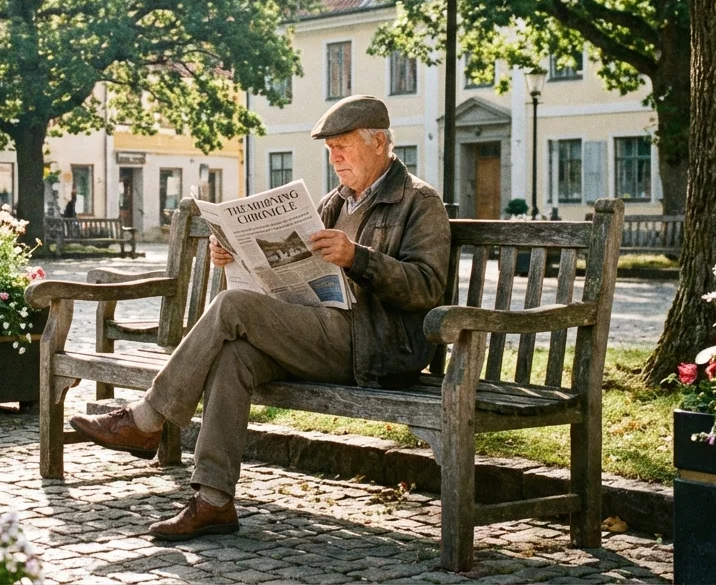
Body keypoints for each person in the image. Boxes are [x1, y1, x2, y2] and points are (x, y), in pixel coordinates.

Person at [69, 95, 452, 540]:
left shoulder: (419, 202)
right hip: (323, 331)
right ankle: (213, 502)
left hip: (378, 348)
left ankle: (147, 420)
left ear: (380, 143)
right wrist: (233, 256)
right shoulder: (336, 202)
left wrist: (358, 259)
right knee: (236, 356)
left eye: (344, 146)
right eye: (330, 150)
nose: (336, 158)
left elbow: (427, 287)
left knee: (233, 307)